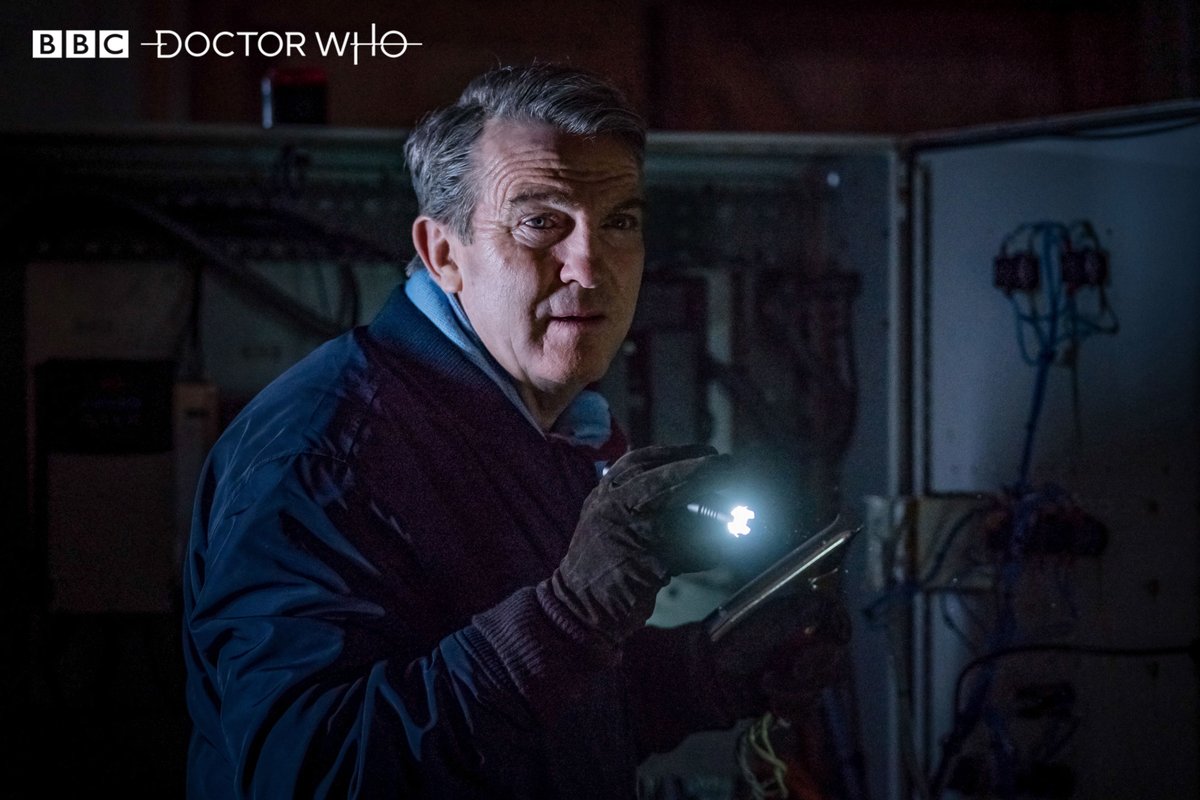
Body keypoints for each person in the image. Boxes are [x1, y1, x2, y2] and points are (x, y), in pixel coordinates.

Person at [181, 62, 850, 799]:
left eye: (620, 222)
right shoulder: (322, 454)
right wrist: (570, 619)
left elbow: (538, 719)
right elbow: (309, 774)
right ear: (443, 253)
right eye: (540, 222)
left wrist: (699, 673)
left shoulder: (546, 429)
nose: (590, 267)